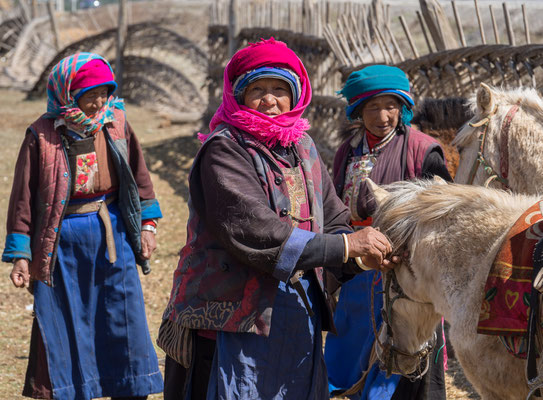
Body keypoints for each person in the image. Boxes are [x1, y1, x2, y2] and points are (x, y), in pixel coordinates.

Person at [158, 38, 398, 400]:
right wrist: (347, 245)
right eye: (257, 89)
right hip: (234, 313)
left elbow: (330, 216)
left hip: (295, 306)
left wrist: (358, 256)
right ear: (238, 95)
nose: (269, 100)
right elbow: (254, 230)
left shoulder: (303, 147)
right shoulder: (225, 149)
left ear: (296, 95)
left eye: (279, 89)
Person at [3, 52, 164, 400]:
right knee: (64, 318)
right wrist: (20, 254)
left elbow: (139, 177)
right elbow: (23, 198)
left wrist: (148, 226)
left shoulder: (116, 122)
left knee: (123, 316)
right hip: (60, 244)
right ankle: (74, 391)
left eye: (104, 91)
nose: (97, 101)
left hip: (112, 236)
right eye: (88, 93)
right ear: (66, 93)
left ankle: (130, 388)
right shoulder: (41, 135)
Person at [323, 65, 452, 400]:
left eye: (391, 106)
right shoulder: (348, 151)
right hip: (358, 264)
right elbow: (334, 202)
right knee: (353, 335)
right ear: (357, 111)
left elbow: (442, 212)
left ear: (403, 107)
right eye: (372, 107)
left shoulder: (424, 150)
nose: (383, 116)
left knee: (403, 337)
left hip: (404, 266)